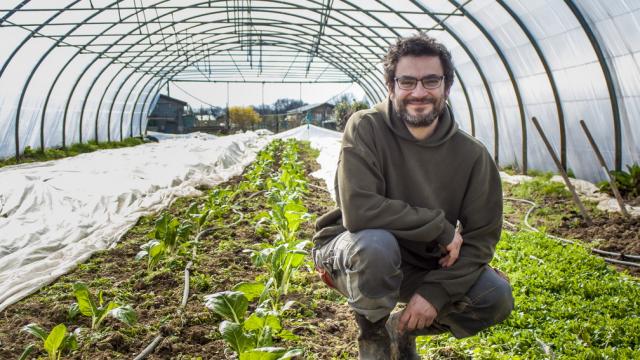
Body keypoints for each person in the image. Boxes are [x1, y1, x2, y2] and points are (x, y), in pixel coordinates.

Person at [312, 33, 514, 360]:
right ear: (390, 86)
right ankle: (374, 338)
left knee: (495, 295)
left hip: (421, 261)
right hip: (354, 250)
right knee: (377, 246)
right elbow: (359, 211)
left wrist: (436, 292)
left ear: (447, 87)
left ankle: (400, 329)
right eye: (406, 81)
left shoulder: (472, 155)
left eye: (431, 81)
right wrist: (440, 228)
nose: (419, 92)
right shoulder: (366, 127)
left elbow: (481, 238)